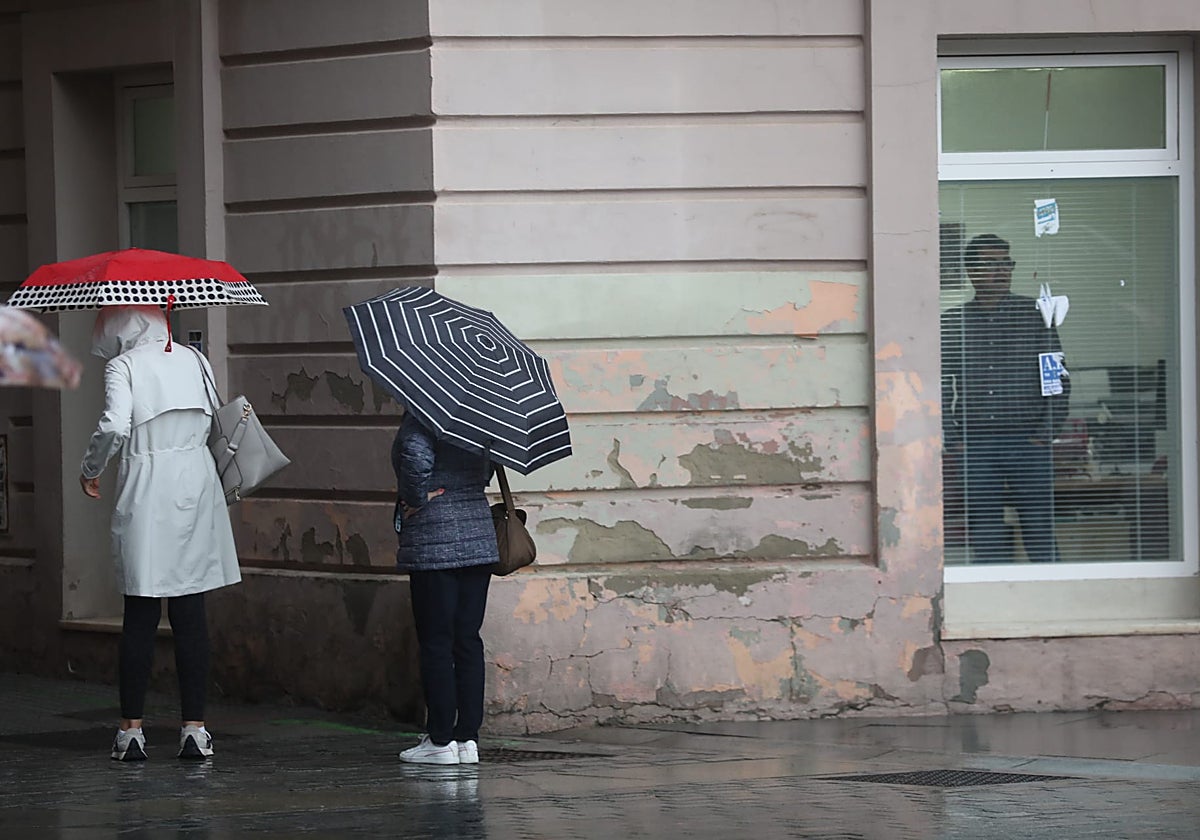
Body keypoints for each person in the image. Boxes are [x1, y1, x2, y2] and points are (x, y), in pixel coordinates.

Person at [80, 305, 241, 761]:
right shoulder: (195, 360)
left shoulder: (123, 366)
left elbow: (114, 424)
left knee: (140, 614)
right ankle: (195, 729)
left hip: (147, 486)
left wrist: (90, 468)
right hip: (195, 482)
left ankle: (131, 732)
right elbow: (214, 417)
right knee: (191, 612)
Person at [941, 233, 1071, 563]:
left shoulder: (1034, 314)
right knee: (985, 531)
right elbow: (940, 383)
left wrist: (1044, 436)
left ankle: (1051, 599)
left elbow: (1055, 377)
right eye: (990, 264)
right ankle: (992, 600)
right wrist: (954, 439)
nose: (1000, 271)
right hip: (976, 445)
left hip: (1028, 442)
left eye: (1006, 264)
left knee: (1039, 528)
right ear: (971, 271)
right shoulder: (954, 322)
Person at [392, 411, 498, 765]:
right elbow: (486, 470)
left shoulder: (425, 414)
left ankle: (440, 740)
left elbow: (415, 456)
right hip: (479, 537)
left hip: (434, 537)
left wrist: (415, 498)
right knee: (467, 638)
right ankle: (467, 738)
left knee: (437, 641)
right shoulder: (486, 415)